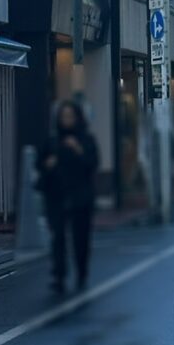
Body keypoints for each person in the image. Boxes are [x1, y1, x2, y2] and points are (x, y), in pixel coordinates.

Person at [39, 100, 99, 295]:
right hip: (56, 195)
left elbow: (92, 164)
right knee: (58, 236)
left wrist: (78, 150)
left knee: (80, 237)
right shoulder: (53, 140)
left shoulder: (85, 139)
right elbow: (40, 165)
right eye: (63, 116)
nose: (66, 120)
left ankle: (82, 271)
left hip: (80, 195)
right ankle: (59, 274)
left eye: (70, 116)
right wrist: (48, 164)